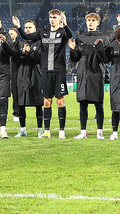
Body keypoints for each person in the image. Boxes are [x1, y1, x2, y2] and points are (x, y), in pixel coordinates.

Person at [20, 9, 74, 138]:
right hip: (46, 72)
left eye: (55, 17)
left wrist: (65, 24)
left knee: (60, 101)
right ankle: (47, 131)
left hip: (59, 72)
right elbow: (27, 37)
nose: (52, 19)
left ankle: (62, 131)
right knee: (46, 102)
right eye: (51, 17)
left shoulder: (62, 32)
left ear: (59, 19)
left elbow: (70, 35)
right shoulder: (43, 33)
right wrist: (18, 27)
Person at [69, 12, 109, 139]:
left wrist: (100, 47)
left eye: (93, 20)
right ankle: (83, 132)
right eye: (89, 20)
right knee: (83, 104)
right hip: (83, 73)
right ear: (86, 22)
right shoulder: (80, 38)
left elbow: (105, 59)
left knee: (99, 104)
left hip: (96, 73)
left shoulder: (103, 38)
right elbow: (75, 58)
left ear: (98, 23)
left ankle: (100, 132)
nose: (91, 22)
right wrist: (73, 49)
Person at [12, 22, 44, 138]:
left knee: (38, 103)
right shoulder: (20, 43)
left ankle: (40, 129)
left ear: (35, 29)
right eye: (26, 28)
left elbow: (39, 58)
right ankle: (22, 129)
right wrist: (23, 53)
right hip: (22, 75)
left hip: (36, 74)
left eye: (30, 27)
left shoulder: (40, 42)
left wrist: (29, 51)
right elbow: (15, 58)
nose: (28, 29)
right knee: (21, 103)